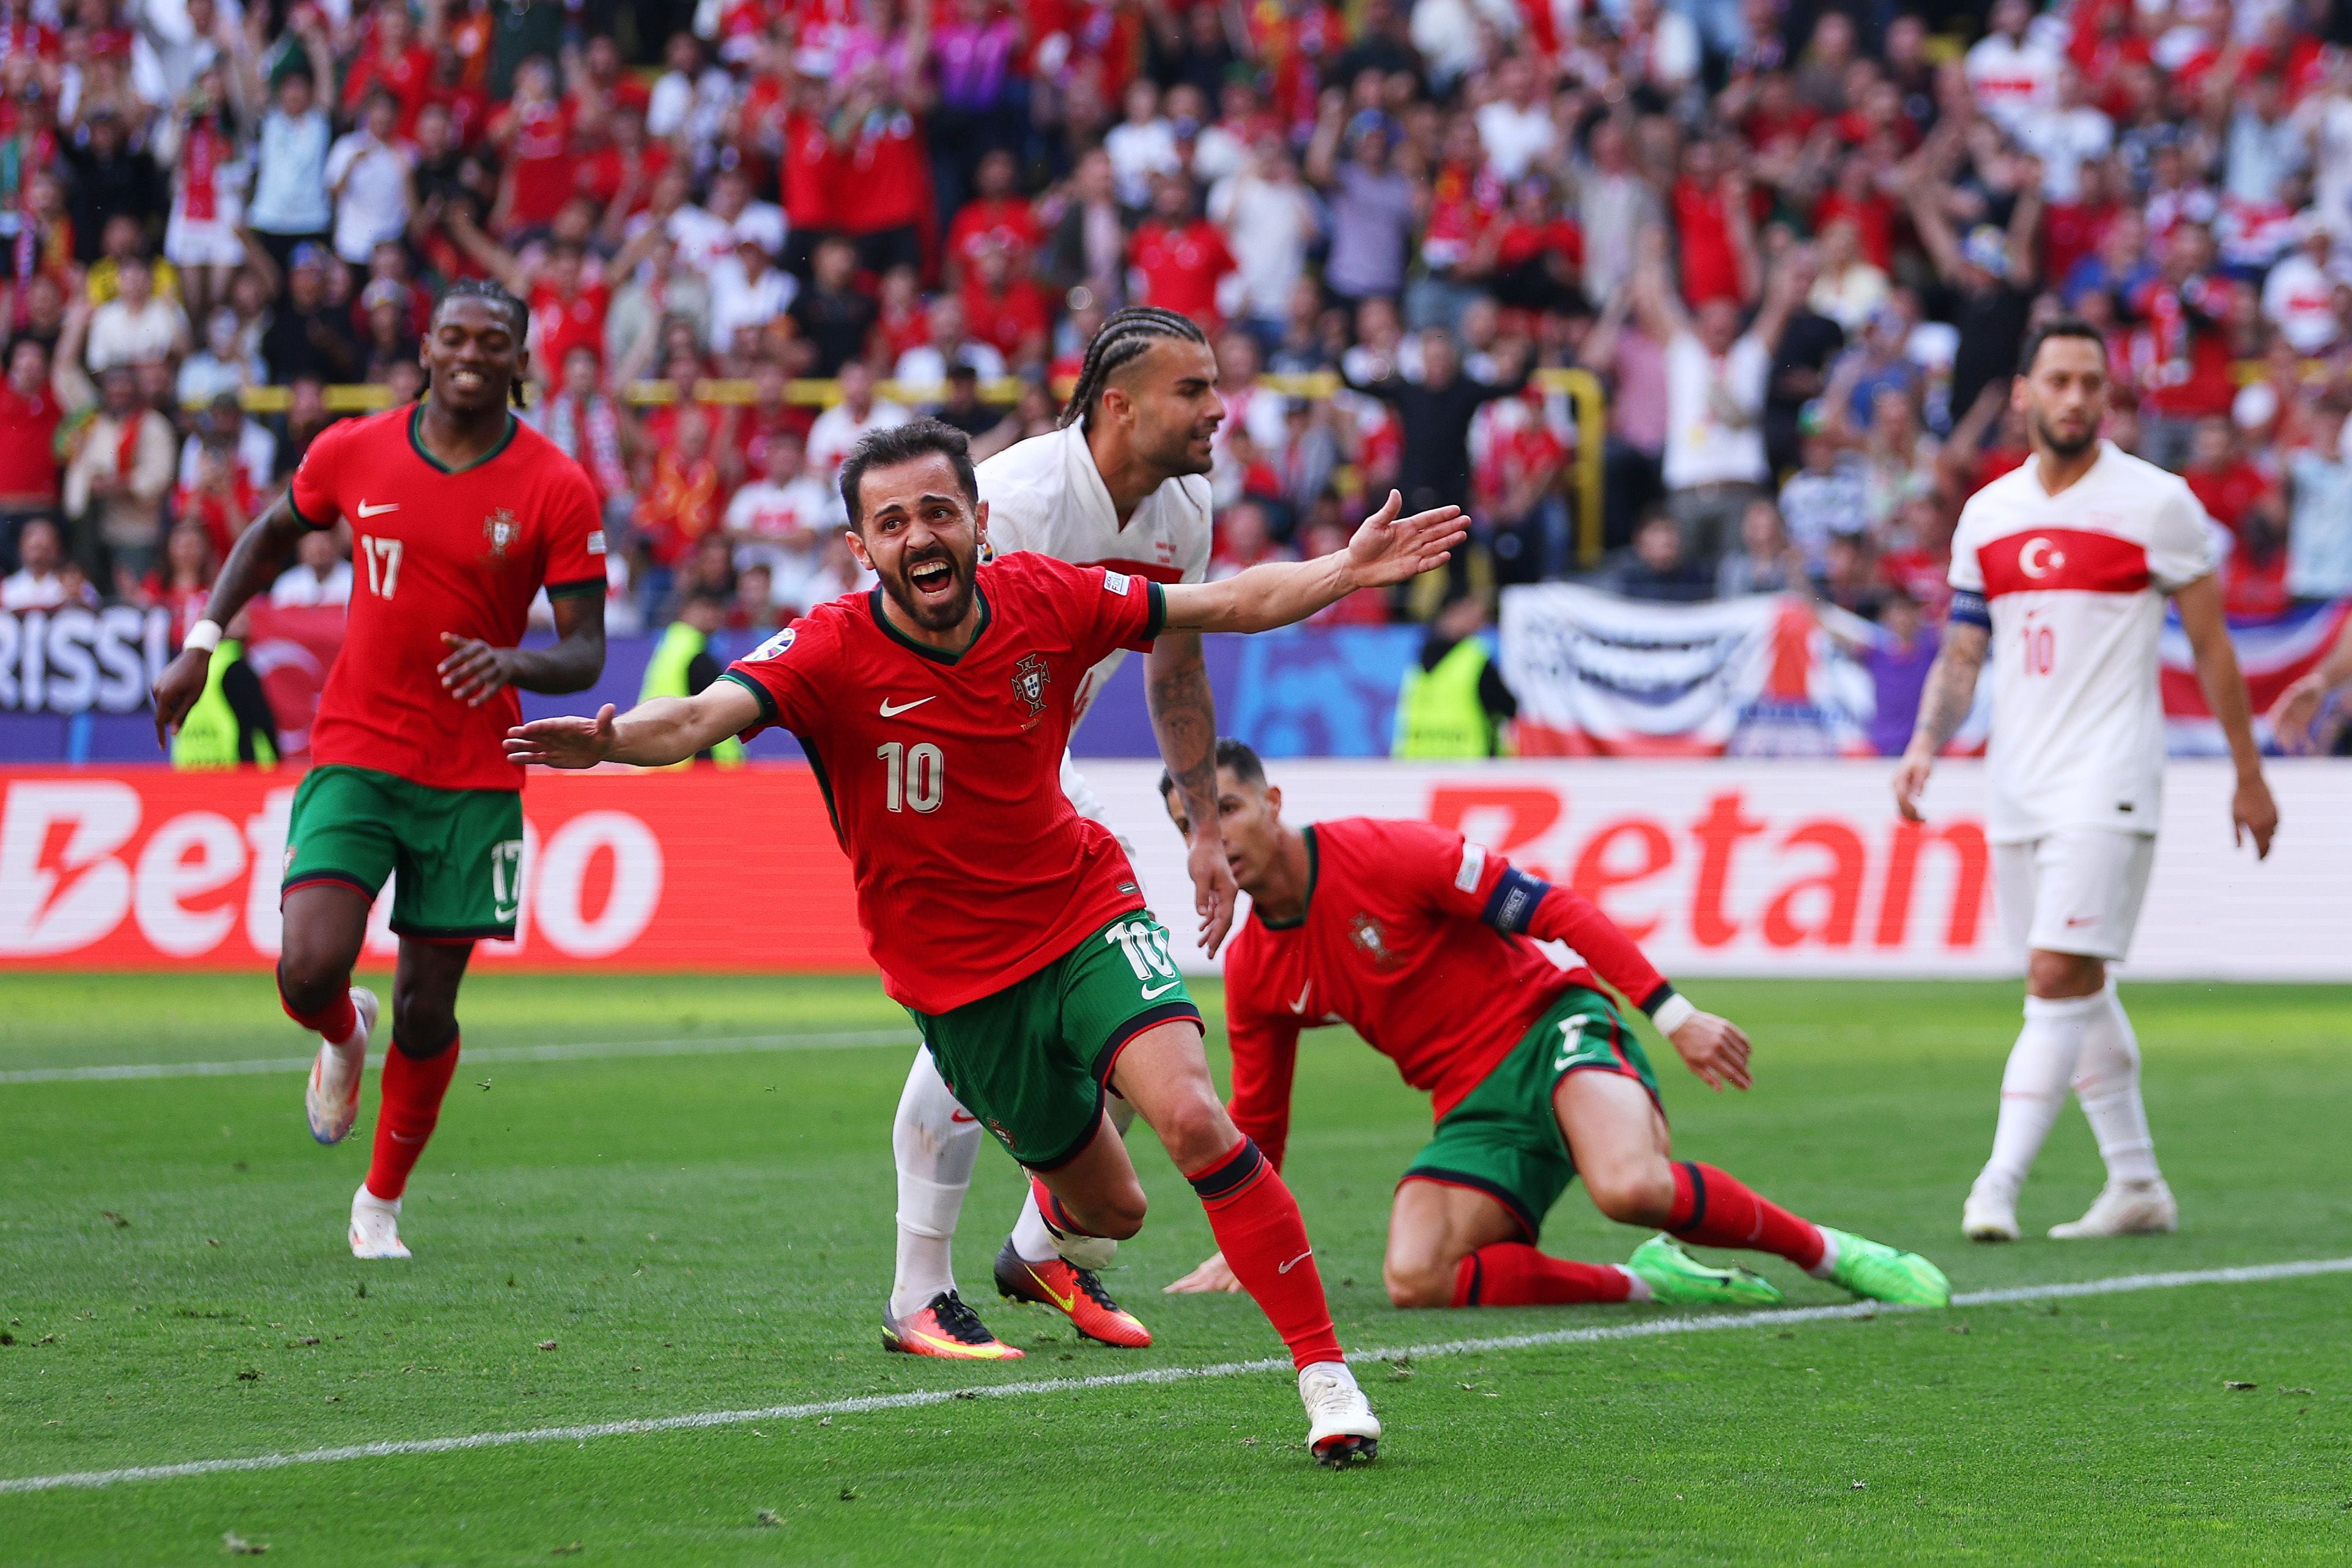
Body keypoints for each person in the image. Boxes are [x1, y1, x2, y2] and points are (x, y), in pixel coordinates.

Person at [506, 418, 1470, 1463]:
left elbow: (1223, 604)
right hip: (961, 984)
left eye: (937, 511)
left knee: (1195, 1116)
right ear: (861, 549)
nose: (919, 535)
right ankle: (1034, 1246)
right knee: (1115, 1206)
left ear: (978, 522)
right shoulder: (829, 648)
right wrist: (611, 743)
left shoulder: (1046, 596)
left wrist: (1345, 569)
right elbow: (697, 718)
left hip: (1083, 909)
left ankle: (1326, 1378)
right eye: (891, 521)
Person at [1161, 741, 1952, 1314]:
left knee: (1630, 1186)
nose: (1214, 837)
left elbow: (1556, 910)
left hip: (1553, 1030)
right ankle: (1651, 1283)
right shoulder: (1254, 968)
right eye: (1190, 824)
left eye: (1224, 809)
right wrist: (1244, 1239)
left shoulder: (1389, 854)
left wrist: (1673, 1015)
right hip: (1473, 1109)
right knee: (1413, 1277)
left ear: (1271, 802)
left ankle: (1828, 1253)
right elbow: (1260, 1125)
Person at [149, 279, 608, 1262]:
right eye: (455, 336)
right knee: (306, 965)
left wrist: (516, 662)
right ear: (428, 348)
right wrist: (201, 639)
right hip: (356, 749)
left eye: (495, 341)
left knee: (428, 1006)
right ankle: (339, 1035)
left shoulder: (556, 487)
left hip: (477, 775)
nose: (473, 353)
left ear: (520, 361)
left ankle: (379, 1205)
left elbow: (585, 653)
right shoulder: (354, 448)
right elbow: (272, 535)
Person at [883, 306, 1232, 1360]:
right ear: (1117, 405)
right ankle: (918, 1291)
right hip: (947, 772)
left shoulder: (1187, 507)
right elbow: (921, 650)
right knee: (994, 1003)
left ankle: (1037, 1247)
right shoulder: (1020, 501)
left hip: (1038, 764)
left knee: (1128, 1014)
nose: (1219, 409)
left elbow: (1176, 664)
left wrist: (1205, 824)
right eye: (1194, 390)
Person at [1893, 320, 2279, 1244]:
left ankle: (1994, 1186)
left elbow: (2214, 647)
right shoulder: (1986, 513)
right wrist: (1922, 743)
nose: (2074, 399)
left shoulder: (2156, 504)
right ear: (2023, 391)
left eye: (2090, 384)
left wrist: (2247, 773)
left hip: (2109, 778)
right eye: (2058, 381)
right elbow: (1962, 646)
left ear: (2107, 396)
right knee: (2077, 985)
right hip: (2017, 782)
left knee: (2053, 976)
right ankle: (2137, 1184)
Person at [1393, 593, 1515, 758]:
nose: (1481, 623)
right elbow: (1508, 707)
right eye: (1473, 614)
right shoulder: (1473, 658)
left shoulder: (1417, 659)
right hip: (1467, 765)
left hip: (1418, 763)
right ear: (1453, 612)